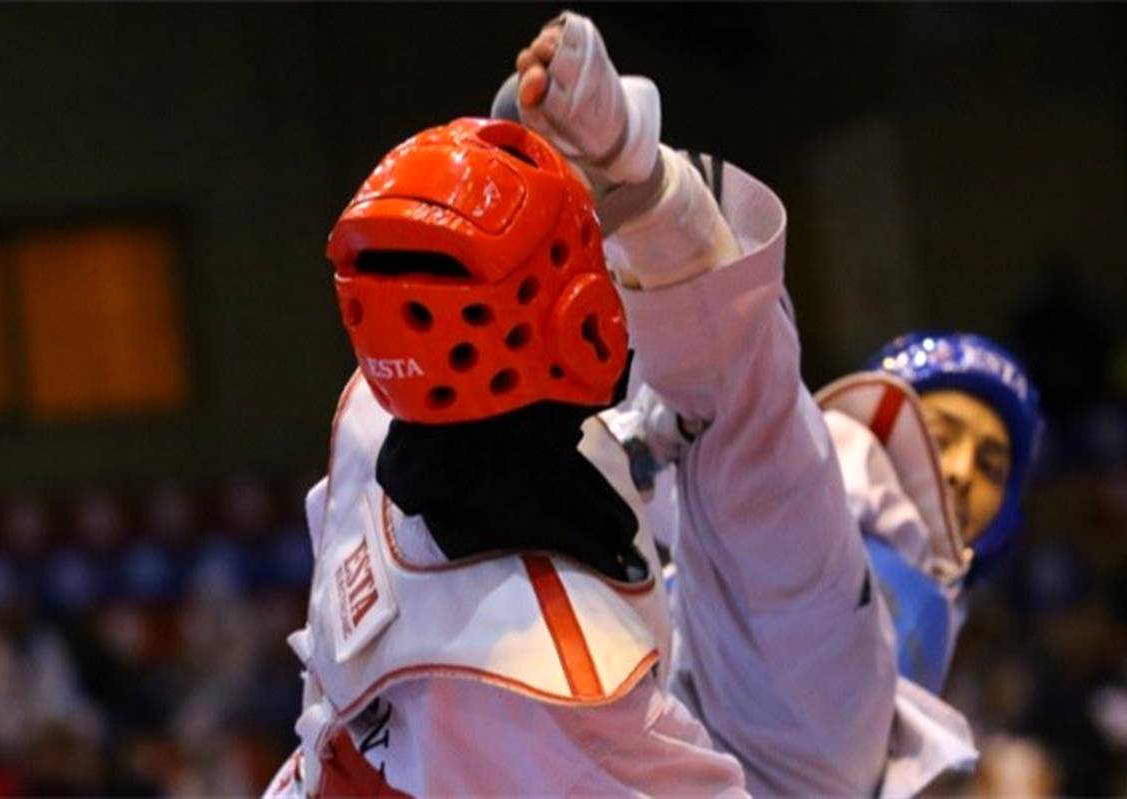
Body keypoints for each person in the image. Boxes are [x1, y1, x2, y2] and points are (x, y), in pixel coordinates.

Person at [265, 11, 896, 796]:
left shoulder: (372, 413)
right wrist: (652, 193)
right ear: (580, 327)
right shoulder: (566, 685)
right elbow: (753, 427)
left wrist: (550, 189)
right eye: (586, 247)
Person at [816, 331, 1044, 693]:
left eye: (990, 468)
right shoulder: (813, 481)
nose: (963, 472)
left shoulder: (943, 617)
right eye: (938, 439)